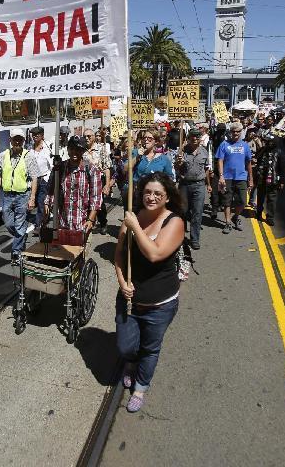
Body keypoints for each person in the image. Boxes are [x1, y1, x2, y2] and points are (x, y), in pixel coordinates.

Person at [113, 172, 185, 413]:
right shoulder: (133, 217)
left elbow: (155, 254)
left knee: (150, 348)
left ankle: (141, 387)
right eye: (147, 192)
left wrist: (135, 227)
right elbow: (120, 255)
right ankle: (130, 363)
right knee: (126, 347)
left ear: (167, 198)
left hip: (161, 304)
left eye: (157, 194)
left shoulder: (174, 222)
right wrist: (122, 281)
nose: (151, 197)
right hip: (130, 301)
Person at [0, 128, 42, 262]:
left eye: (20, 139)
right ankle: (21, 236)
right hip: (7, 195)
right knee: (8, 223)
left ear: (24, 141)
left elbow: (35, 177)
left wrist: (32, 198)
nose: (18, 142)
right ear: (10, 140)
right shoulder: (3, 155)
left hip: (23, 196)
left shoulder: (28, 155)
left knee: (19, 224)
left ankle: (16, 252)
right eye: (15, 139)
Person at [44, 135, 102, 234]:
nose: (74, 152)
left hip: (82, 224)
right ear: (67, 149)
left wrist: (91, 219)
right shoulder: (60, 168)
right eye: (72, 149)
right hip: (62, 223)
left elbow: (96, 198)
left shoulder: (91, 170)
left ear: (83, 151)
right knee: (62, 249)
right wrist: (47, 204)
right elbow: (52, 189)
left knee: (79, 249)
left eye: (78, 149)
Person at [174, 128, 211, 250]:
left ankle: (195, 239)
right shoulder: (182, 151)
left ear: (200, 138)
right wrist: (179, 163)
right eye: (192, 137)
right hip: (184, 185)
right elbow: (176, 168)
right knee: (183, 211)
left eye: (197, 136)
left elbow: (206, 169)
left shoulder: (205, 152)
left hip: (199, 185)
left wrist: (208, 184)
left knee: (197, 212)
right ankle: (181, 236)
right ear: (188, 138)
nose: (195, 139)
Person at [215, 121, 253, 234]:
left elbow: (248, 163)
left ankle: (236, 217)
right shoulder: (224, 144)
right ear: (230, 132)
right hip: (227, 177)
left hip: (241, 177)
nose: (235, 133)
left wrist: (251, 179)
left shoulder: (245, 145)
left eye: (238, 131)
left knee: (242, 201)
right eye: (233, 131)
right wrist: (221, 176)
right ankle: (227, 223)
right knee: (227, 202)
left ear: (241, 132)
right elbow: (220, 160)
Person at [84, 128, 113, 234]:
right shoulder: (82, 149)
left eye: (89, 136)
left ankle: (103, 222)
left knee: (99, 203)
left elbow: (107, 167)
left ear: (93, 137)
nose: (86, 138)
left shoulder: (101, 149)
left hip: (99, 179)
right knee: (86, 202)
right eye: (85, 136)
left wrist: (107, 185)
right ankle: (89, 221)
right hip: (86, 180)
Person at [254, 133, 285, 226]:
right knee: (260, 197)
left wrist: (282, 181)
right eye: (267, 141)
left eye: (270, 142)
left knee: (272, 199)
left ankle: (270, 217)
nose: (268, 143)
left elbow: (283, 168)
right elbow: (256, 159)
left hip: (273, 180)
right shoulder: (262, 150)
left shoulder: (279, 152)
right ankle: (258, 213)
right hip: (261, 178)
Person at [28, 125, 53, 236]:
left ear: (42, 136)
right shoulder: (30, 149)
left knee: (41, 202)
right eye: (33, 135)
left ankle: (39, 225)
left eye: (37, 135)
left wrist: (51, 180)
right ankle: (45, 217)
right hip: (33, 180)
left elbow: (52, 165)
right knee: (35, 202)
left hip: (44, 179)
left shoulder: (47, 149)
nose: (34, 137)